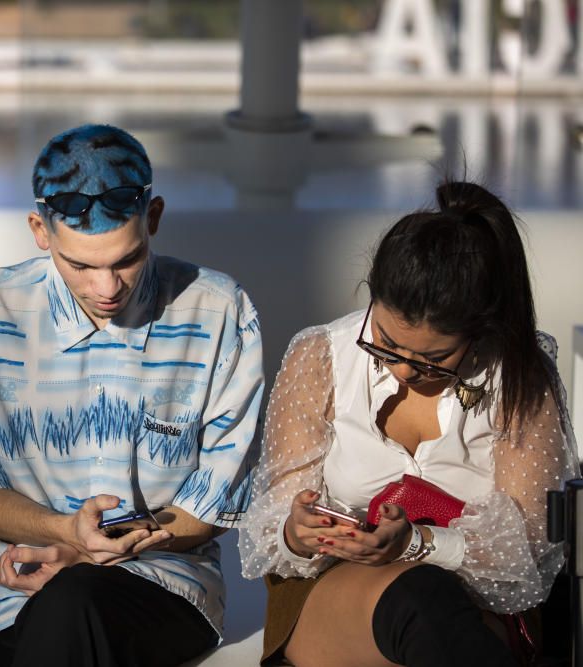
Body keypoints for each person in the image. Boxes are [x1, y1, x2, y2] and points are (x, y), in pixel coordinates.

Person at [0, 124, 265, 667]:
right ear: (40, 230)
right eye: (81, 266)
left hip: (164, 586)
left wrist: (93, 549)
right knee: (68, 607)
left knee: (76, 600)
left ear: (153, 218)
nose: (106, 289)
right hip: (7, 590)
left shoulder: (221, 311)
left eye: (126, 260)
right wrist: (62, 533)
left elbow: (213, 504)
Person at [239, 181, 579, 667]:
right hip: (336, 597)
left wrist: (420, 543)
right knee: (419, 599)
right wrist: (299, 530)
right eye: (384, 343)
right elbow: (270, 523)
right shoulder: (320, 356)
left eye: (433, 359)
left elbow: (529, 552)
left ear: (480, 330)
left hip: (478, 606)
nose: (401, 368)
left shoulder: (520, 377)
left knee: (432, 603)